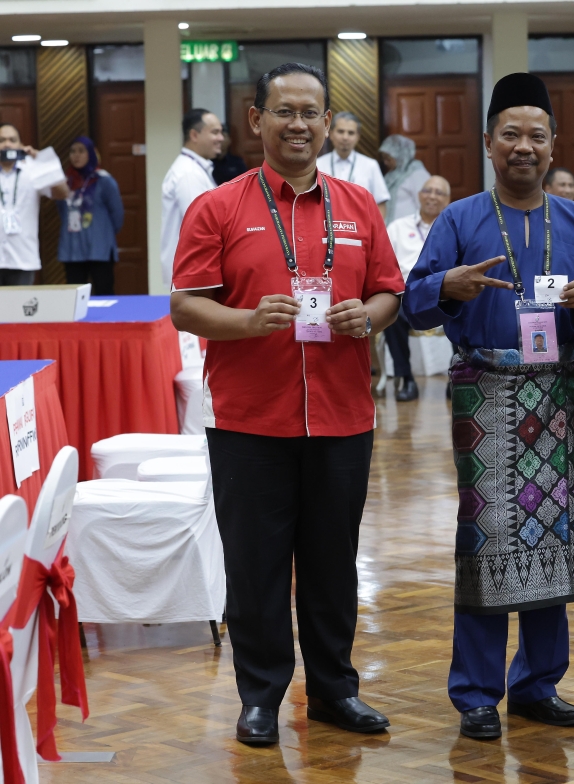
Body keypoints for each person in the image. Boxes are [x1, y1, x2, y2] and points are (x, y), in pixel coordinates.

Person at [170, 63, 403, 746]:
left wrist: (372, 315)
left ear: (328, 123)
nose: (299, 124)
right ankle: (261, 698)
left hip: (341, 415)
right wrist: (247, 322)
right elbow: (184, 306)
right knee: (256, 564)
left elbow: (391, 289)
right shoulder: (219, 206)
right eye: (284, 112)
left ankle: (335, 691)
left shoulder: (358, 206)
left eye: (311, 113)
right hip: (249, 420)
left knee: (334, 563)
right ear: (256, 120)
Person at [404, 72, 574, 741]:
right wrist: (449, 286)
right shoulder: (460, 219)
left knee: (553, 537)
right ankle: (474, 692)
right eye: (511, 135)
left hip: (557, 396)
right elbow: (413, 305)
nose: (524, 147)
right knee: (486, 541)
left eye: (537, 135)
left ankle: (536, 684)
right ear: (489, 143)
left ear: (553, 147)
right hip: (485, 397)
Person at [384, 174, 451, 402]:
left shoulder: (453, 228)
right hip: (406, 294)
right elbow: (385, 265)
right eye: (427, 191)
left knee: (468, 312)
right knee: (390, 314)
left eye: (439, 192)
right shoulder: (398, 227)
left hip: (444, 293)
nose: (432, 196)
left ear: (448, 200)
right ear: (419, 195)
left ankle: (457, 378)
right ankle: (406, 378)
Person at [0, 123, 69, 285]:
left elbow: (63, 193)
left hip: (22, 257)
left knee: (18, 309)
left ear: (21, 145)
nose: (7, 144)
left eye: (12, 140)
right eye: (2, 140)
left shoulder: (34, 168)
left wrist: (43, 162)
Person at [160, 108, 223, 286]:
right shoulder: (188, 174)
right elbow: (201, 227)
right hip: (192, 273)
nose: (221, 138)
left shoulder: (195, 169)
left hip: (194, 271)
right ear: (194, 135)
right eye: (215, 132)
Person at [56, 136, 125, 295]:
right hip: (73, 249)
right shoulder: (65, 183)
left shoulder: (104, 180)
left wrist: (102, 233)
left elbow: (117, 215)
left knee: (104, 291)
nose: (76, 155)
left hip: (99, 249)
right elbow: (62, 212)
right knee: (74, 296)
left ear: (91, 153)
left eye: (81, 151)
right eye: (73, 151)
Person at [317, 111, 390, 219]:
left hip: (361, 229)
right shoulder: (318, 164)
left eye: (351, 133)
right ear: (331, 134)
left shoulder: (370, 165)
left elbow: (380, 203)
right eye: (341, 131)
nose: (345, 137)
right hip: (326, 228)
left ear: (357, 137)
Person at [378, 134, 431, 225]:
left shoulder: (417, 174)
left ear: (400, 155)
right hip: (392, 231)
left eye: (388, 158)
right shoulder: (391, 174)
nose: (385, 162)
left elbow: (425, 205)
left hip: (410, 231)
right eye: (384, 158)